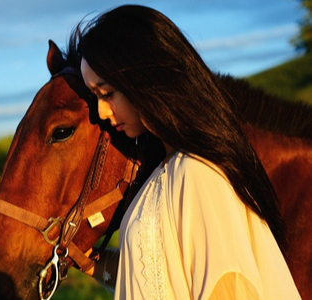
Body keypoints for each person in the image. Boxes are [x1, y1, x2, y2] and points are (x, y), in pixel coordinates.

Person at [71, 4, 302, 299]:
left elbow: (229, 288)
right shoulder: (165, 172)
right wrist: (93, 263)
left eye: (107, 94)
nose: (102, 111)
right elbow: (157, 279)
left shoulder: (199, 173)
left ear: (142, 77)